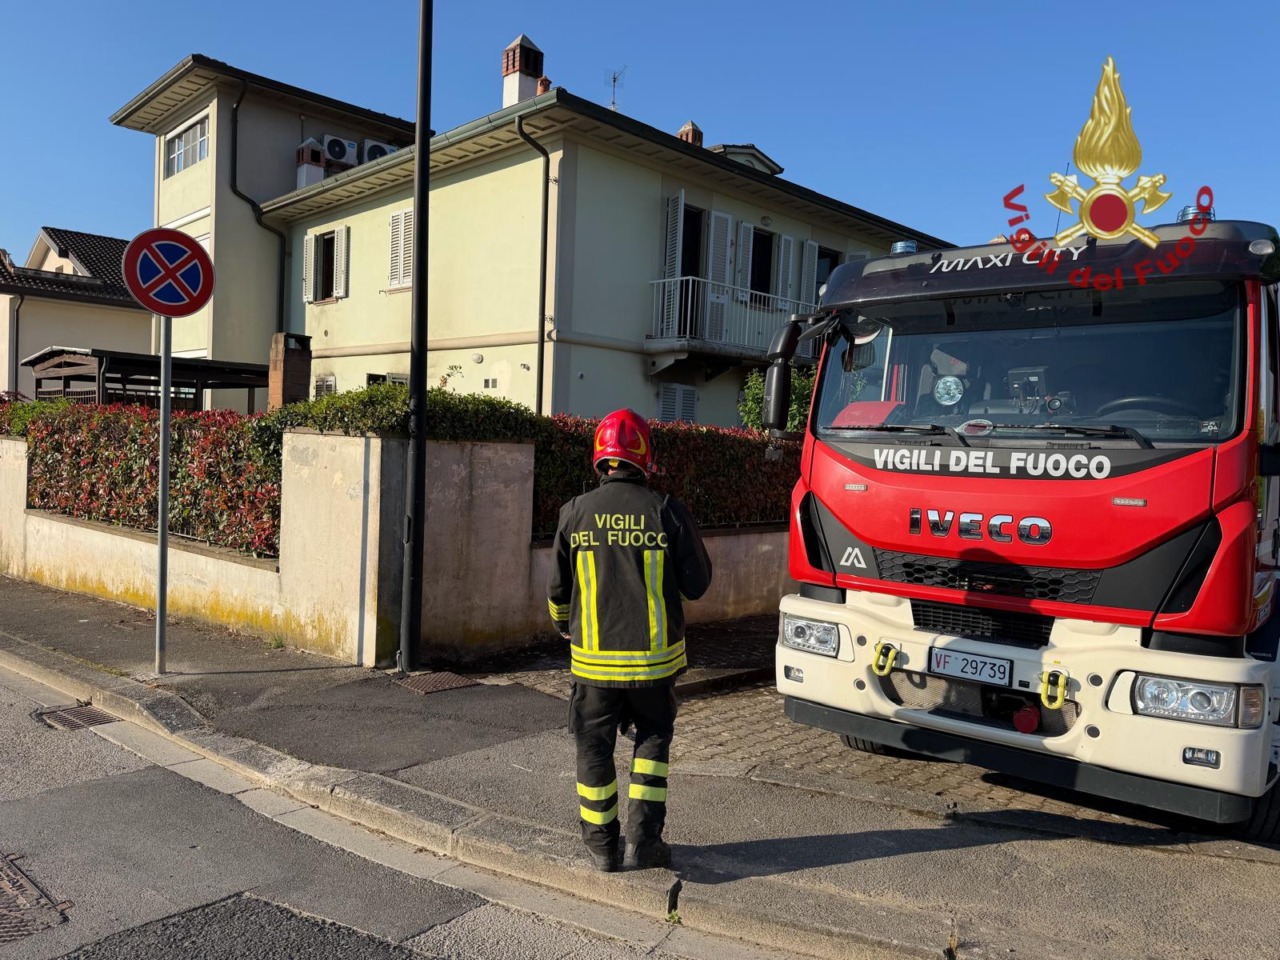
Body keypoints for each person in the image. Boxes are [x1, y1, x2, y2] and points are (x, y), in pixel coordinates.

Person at [547, 409, 713, 873]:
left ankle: (602, 847)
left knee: (593, 748)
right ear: (645, 457)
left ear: (600, 459)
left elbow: (558, 593)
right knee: (652, 744)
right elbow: (697, 585)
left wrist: (564, 626)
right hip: (655, 666)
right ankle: (645, 843)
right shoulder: (667, 510)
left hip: (593, 665)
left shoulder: (574, 512)